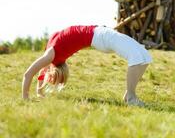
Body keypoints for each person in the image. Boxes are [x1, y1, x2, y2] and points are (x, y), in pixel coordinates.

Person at [22, 25, 152, 106]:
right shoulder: (51, 53)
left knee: (144, 55)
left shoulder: (51, 55)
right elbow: (41, 71)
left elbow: (30, 74)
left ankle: (128, 95)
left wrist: (33, 94)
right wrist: (34, 94)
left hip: (101, 34)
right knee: (136, 57)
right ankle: (131, 97)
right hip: (101, 37)